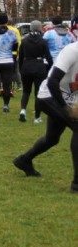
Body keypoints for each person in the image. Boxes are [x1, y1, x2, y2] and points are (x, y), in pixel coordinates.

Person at [12, 16, 78, 193]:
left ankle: (24, 160)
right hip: (48, 95)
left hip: (66, 97)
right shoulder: (72, 50)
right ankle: (76, 184)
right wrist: (66, 108)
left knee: (52, 138)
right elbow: (52, 82)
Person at [16, 20, 52, 124]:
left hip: (26, 66)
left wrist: (21, 69)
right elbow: (49, 58)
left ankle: (23, 110)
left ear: (30, 28)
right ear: (40, 28)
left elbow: (21, 57)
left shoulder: (24, 40)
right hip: (39, 67)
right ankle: (37, 117)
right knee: (38, 93)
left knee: (26, 91)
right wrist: (50, 67)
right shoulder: (43, 41)